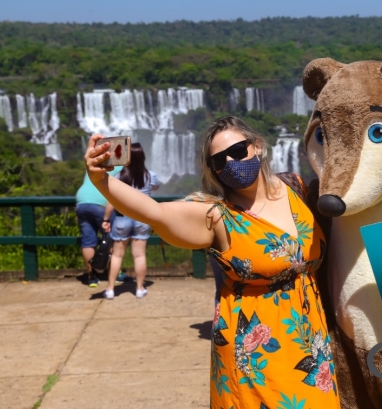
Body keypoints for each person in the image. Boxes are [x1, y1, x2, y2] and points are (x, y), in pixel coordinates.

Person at [85, 116, 340, 408]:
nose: (231, 163)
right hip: (255, 361)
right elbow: (154, 213)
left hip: (312, 350)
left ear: (256, 146)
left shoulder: (296, 188)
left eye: (238, 151)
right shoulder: (217, 216)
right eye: (220, 161)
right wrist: (100, 180)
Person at [101, 143, 159, 300]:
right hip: (142, 219)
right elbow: (156, 187)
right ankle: (139, 289)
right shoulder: (150, 176)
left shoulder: (119, 176)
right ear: (143, 158)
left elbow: (111, 200)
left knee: (117, 256)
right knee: (139, 256)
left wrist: (106, 219)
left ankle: (110, 289)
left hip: (122, 219)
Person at [75, 166, 126, 287]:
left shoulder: (95, 163)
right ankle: (114, 274)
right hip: (102, 201)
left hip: (82, 201)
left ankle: (92, 277)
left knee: (88, 241)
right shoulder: (119, 165)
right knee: (112, 239)